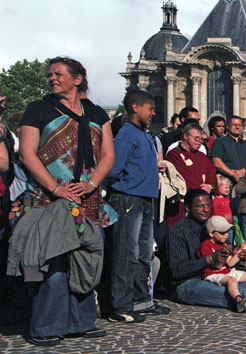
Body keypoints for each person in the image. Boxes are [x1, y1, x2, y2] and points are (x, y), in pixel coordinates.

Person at [19, 57, 115, 346]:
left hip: (88, 199)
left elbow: (108, 154)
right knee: (52, 263)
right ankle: (46, 326)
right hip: (47, 199)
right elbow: (27, 153)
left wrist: (92, 183)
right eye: (49, 74)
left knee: (84, 261)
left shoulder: (97, 112)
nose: (52, 78)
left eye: (58, 74)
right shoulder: (38, 110)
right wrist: (55, 188)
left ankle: (80, 322)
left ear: (77, 78)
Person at [105, 89, 168, 322]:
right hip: (128, 199)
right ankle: (121, 306)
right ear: (135, 108)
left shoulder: (145, 135)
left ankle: (142, 300)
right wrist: (130, 185)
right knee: (126, 252)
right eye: (150, 109)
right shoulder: (127, 135)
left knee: (144, 252)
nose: (153, 113)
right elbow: (113, 170)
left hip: (145, 198)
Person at [163, 123, 217, 229]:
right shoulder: (174, 155)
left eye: (201, 139)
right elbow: (183, 180)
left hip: (204, 204)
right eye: (196, 138)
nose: (199, 142)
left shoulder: (202, 156)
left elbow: (212, 174)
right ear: (185, 136)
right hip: (184, 206)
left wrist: (210, 186)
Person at [209, 115, 246, 182]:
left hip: (244, 180)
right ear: (227, 126)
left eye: (239, 125)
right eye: (234, 125)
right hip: (227, 180)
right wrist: (232, 173)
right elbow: (216, 162)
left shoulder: (245, 144)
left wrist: (243, 171)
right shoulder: (219, 142)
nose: (237, 127)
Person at [212, 175, 235, 243]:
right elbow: (214, 214)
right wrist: (222, 218)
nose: (228, 189)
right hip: (221, 228)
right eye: (225, 187)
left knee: (230, 244)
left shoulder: (227, 198)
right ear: (218, 187)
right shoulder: (215, 200)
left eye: (228, 187)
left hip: (230, 226)